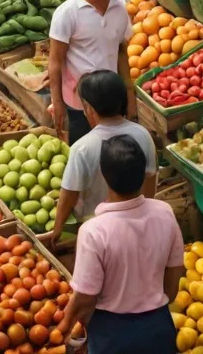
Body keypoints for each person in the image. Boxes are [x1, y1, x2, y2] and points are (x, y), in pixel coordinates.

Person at [58, 134, 183, 354]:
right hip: (158, 327)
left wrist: (65, 327)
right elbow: (172, 284)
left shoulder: (93, 232)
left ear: (104, 177)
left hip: (112, 336)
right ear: (143, 172)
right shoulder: (165, 213)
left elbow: (85, 297)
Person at [45, 70, 156, 246]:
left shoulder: (82, 148)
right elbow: (150, 178)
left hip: (97, 228)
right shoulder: (142, 134)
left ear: (89, 109)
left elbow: (69, 194)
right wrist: (145, 213)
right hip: (137, 222)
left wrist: (57, 227)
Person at [49, 0, 133, 144]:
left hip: (112, 99)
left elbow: (121, 50)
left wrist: (130, 94)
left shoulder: (119, 5)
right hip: (80, 104)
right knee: (85, 152)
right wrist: (58, 103)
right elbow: (55, 62)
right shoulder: (67, 13)